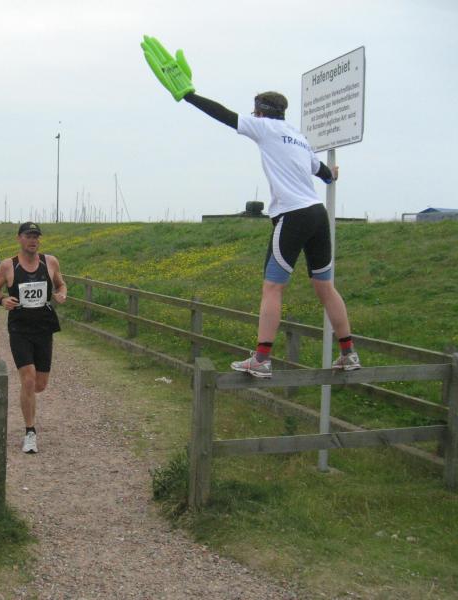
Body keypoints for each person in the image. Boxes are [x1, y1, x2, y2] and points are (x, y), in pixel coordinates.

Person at [141, 35, 360, 379]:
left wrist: (189, 96)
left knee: (273, 288)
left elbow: (225, 115)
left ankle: (261, 359)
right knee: (325, 288)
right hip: (317, 213)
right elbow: (322, 172)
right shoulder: (298, 136)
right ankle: (348, 353)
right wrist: (332, 175)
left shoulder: (264, 127)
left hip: (292, 215)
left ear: (260, 112)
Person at [0, 222, 66, 454]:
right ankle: (30, 432)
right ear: (19, 238)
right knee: (29, 379)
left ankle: (27, 397)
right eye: (29, 236)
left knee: (40, 384)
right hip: (20, 329)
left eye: (36, 236)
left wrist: (61, 294)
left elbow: (61, 284)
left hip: (43, 328)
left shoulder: (50, 262)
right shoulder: (8, 265)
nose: (33, 240)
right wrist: (3, 300)